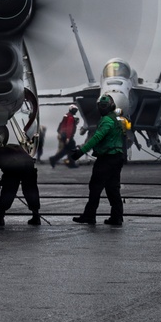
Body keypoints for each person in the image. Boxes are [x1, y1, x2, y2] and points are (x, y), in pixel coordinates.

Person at [70, 95, 125, 226]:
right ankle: (117, 217)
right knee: (113, 188)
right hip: (117, 158)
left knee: (95, 187)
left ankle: (89, 216)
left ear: (110, 106)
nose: (101, 108)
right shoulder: (117, 119)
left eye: (103, 106)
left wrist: (81, 151)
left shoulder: (106, 120)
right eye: (100, 106)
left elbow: (97, 138)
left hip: (106, 159)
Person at [0, 126, 41, 226]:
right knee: (31, 191)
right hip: (28, 168)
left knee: (8, 192)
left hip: (12, 171)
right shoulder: (18, 147)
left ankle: (0, 218)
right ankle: (36, 217)